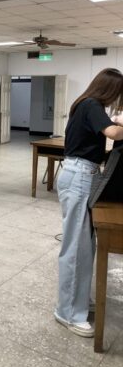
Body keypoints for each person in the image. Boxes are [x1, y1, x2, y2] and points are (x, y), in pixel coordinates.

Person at [56, 68, 123, 337]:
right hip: (80, 176)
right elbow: (113, 133)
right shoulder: (92, 105)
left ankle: (78, 298)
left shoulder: (85, 104)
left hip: (82, 173)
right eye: (118, 95)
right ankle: (68, 313)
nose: (117, 100)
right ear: (110, 90)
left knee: (85, 246)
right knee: (76, 247)